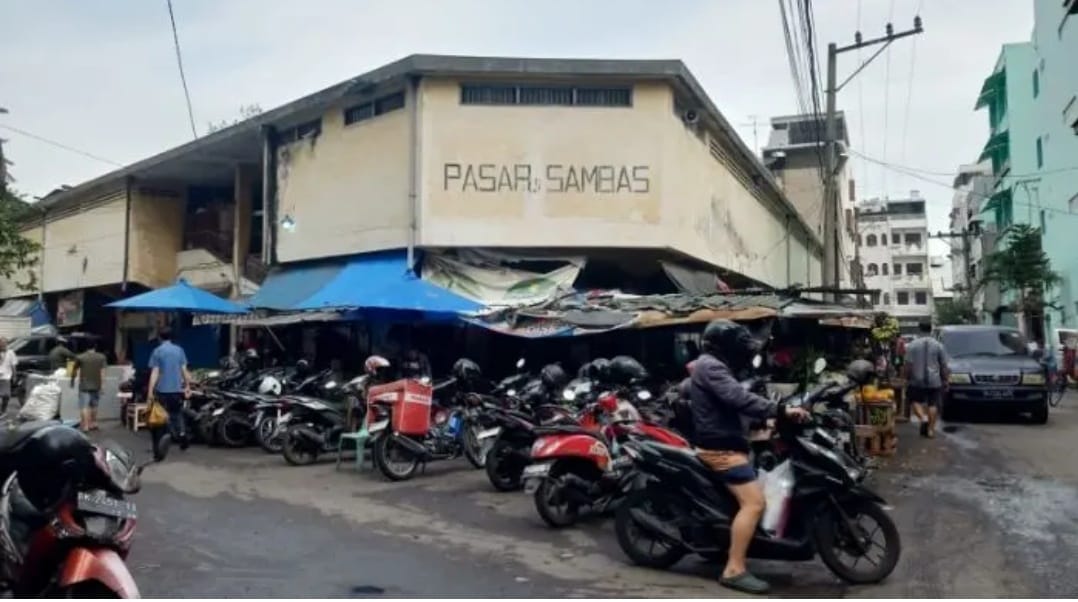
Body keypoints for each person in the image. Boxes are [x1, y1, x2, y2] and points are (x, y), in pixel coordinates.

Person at [689, 320, 809, 594]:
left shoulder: (715, 365)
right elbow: (737, 398)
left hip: (730, 441)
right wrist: (779, 410)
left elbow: (733, 403)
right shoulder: (711, 366)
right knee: (754, 503)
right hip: (721, 450)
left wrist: (761, 421)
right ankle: (734, 569)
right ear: (726, 346)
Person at [147, 328, 192, 457]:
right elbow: (184, 370)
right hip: (177, 390)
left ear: (160, 337)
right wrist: (187, 386)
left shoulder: (157, 351)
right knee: (177, 414)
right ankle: (182, 434)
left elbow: (155, 373)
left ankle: (160, 447)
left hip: (162, 390)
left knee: (160, 418)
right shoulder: (179, 350)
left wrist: (150, 391)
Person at [903, 321, 949, 438]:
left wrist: (906, 378)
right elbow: (944, 366)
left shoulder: (912, 345)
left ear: (919, 329)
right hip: (934, 380)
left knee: (915, 401)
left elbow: (908, 365)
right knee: (933, 405)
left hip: (916, 380)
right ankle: (930, 430)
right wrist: (946, 381)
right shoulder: (939, 345)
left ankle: (923, 418)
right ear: (931, 330)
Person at [70, 339, 107, 431]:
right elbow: (102, 372)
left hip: (84, 386)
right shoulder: (101, 357)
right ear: (95, 347)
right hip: (96, 385)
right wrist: (102, 386)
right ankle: (93, 423)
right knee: (94, 405)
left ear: (86, 347)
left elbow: (74, 370)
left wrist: (72, 381)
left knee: (84, 406)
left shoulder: (80, 357)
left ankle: (85, 426)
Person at [0, 339, 17, 414]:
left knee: (6, 395)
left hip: (6, 377)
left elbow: (13, 365)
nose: (3, 345)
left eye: (4, 344)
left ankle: (3, 409)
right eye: (1, 344)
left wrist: (14, 376)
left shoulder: (11, 353)